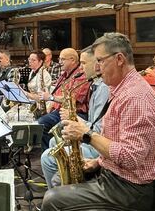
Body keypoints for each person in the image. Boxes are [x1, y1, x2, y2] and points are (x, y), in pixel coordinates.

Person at [40, 33, 155, 211]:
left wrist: (87, 135)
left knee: (53, 201)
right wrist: (98, 162)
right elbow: (119, 141)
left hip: (136, 190)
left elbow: (131, 158)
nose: (97, 67)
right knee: (59, 179)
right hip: (122, 178)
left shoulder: (135, 97)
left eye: (100, 60)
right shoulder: (122, 89)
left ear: (119, 59)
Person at [40, 50, 109, 188]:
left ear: (96, 64)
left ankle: (58, 194)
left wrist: (75, 119)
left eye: (83, 63)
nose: (81, 68)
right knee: (54, 140)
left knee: (47, 157)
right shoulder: (96, 85)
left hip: (100, 145)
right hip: (92, 135)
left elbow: (98, 130)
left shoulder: (103, 88)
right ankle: (64, 184)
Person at [37, 48, 89, 150]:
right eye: (59, 59)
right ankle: (49, 153)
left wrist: (51, 98)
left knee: (42, 123)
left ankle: (50, 156)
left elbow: (73, 99)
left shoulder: (82, 75)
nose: (59, 62)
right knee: (39, 121)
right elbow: (56, 92)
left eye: (62, 59)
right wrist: (50, 105)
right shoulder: (64, 75)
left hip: (75, 112)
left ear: (73, 60)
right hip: (60, 110)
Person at [20, 51, 53, 121]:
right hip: (33, 104)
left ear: (40, 62)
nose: (30, 62)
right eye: (29, 59)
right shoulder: (33, 71)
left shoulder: (45, 75)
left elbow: (40, 98)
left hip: (43, 108)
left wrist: (24, 93)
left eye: (33, 60)